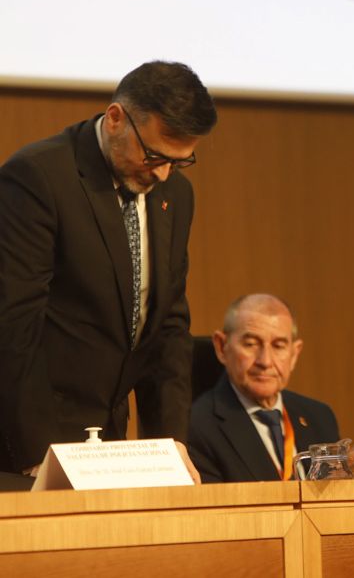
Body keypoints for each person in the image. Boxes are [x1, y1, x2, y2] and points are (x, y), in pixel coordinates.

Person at [0, 61, 216, 482]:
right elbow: (13, 324)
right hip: (27, 443)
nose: (162, 172)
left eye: (180, 160)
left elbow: (168, 324)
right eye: (153, 155)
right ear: (116, 118)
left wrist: (170, 445)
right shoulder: (39, 177)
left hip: (108, 440)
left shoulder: (175, 193)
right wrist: (37, 451)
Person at [187, 294, 354, 483]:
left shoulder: (319, 416)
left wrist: (349, 479)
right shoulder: (196, 426)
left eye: (278, 346)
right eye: (250, 344)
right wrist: (323, 482)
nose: (265, 361)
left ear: (294, 354)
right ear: (222, 347)